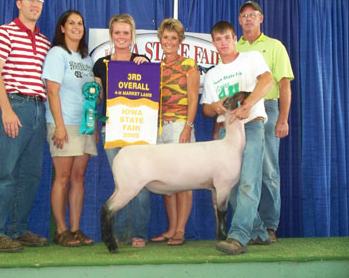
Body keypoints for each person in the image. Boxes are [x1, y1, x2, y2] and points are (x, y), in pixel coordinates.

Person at [0, 0, 51, 252]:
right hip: (15, 104)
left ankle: (18, 230)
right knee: (4, 172)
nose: (35, 4)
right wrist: (7, 110)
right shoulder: (4, 32)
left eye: (39, 0)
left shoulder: (44, 41)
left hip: (37, 108)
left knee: (30, 174)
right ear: (18, 4)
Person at [202, 21, 273, 255]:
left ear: (235, 39)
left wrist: (248, 105)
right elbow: (206, 110)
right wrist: (214, 106)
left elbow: (267, 81)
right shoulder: (212, 75)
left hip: (251, 125)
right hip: (226, 131)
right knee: (229, 187)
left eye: (227, 38)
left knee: (248, 181)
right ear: (213, 43)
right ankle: (259, 232)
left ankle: (238, 236)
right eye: (218, 39)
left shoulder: (251, 58)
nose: (223, 43)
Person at [236, 1, 294, 243]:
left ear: (261, 18)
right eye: (244, 16)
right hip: (239, 112)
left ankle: (269, 225)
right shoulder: (234, 46)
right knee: (241, 171)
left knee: (268, 170)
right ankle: (250, 226)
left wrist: (283, 118)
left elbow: (283, 84)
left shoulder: (274, 46)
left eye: (253, 15)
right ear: (239, 21)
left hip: (268, 109)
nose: (248, 19)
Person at [93, 14, 150, 248]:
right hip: (112, 129)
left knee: (142, 183)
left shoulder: (143, 60)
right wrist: (93, 93)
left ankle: (138, 232)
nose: (122, 37)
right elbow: (99, 100)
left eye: (126, 32)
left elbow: (152, 95)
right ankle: (114, 233)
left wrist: (146, 68)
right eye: (117, 32)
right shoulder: (100, 64)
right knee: (121, 184)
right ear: (111, 35)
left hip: (138, 130)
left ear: (132, 35)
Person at [43, 10, 97, 247]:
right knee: (63, 177)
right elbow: (52, 91)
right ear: (62, 28)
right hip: (63, 123)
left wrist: (92, 123)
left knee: (78, 178)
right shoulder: (57, 53)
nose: (77, 27)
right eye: (71, 23)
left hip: (84, 125)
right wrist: (59, 127)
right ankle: (61, 230)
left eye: (80, 23)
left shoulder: (87, 60)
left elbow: (91, 97)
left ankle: (75, 229)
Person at [150, 18, 200, 246]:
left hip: (180, 126)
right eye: (165, 37)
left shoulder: (189, 65)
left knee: (184, 182)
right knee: (167, 184)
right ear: (160, 39)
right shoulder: (154, 67)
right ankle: (170, 229)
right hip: (159, 129)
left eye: (173, 38)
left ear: (179, 41)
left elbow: (193, 99)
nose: (169, 41)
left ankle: (180, 230)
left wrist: (188, 127)